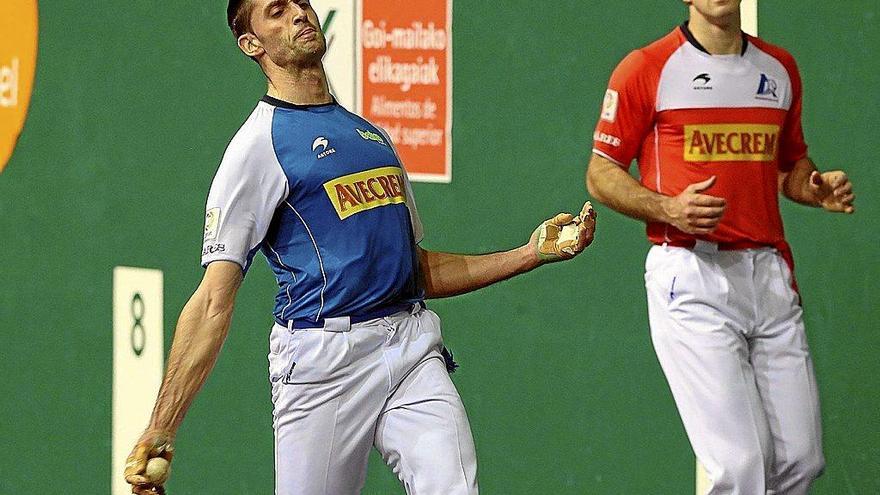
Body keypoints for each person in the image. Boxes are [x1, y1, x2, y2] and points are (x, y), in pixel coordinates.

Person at [123, 1, 597, 494]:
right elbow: (212, 301)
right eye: (277, 12)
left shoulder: (370, 137)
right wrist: (162, 425)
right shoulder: (258, 147)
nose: (299, 14)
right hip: (324, 363)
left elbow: (415, 270)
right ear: (251, 44)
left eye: (301, 3)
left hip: (410, 347)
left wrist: (529, 253)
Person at [586, 1, 854, 493]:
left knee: (800, 459)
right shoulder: (647, 67)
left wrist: (814, 188)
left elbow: (789, 164)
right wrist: (667, 208)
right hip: (692, 277)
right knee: (741, 466)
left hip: (768, 276)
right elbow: (600, 173)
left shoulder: (779, 68)